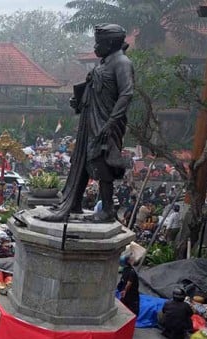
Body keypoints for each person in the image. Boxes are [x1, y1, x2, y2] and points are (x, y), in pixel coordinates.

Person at [40, 24, 134, 223]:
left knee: (102, 161)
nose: (95, 46)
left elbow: (126, 93)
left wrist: (109, 123)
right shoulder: (103, 63)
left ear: (109, 43)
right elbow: (96, 91)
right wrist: (80, 101)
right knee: (81, 161)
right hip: (89, 120)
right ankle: (72, 202)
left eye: (98, 42)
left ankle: (108, 209)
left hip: (105, 122)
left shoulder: (122, 63)